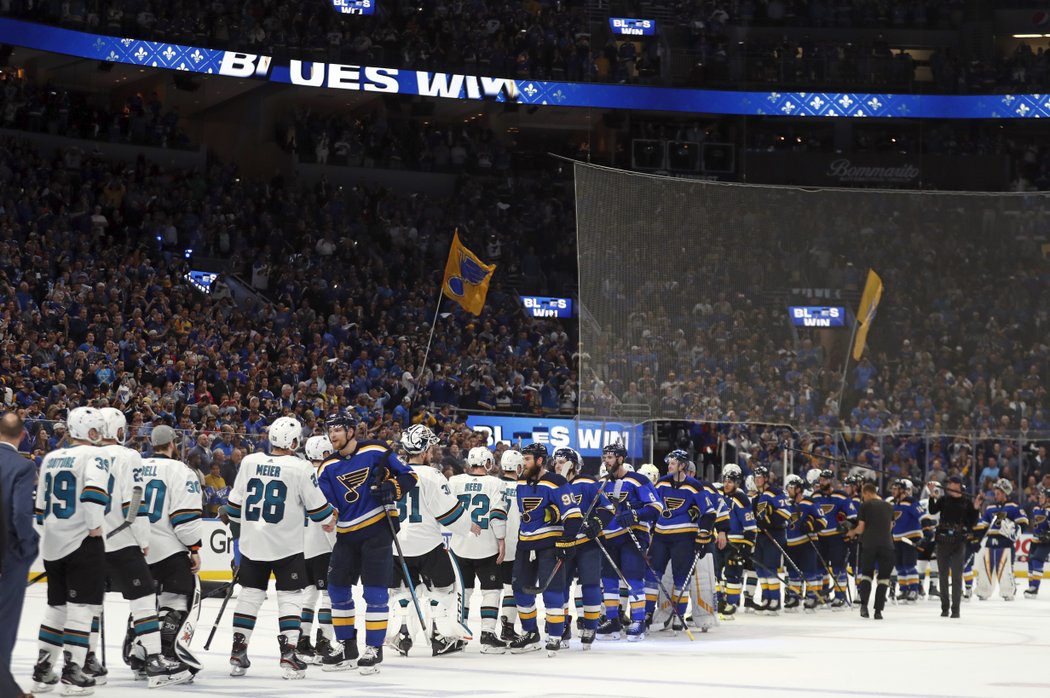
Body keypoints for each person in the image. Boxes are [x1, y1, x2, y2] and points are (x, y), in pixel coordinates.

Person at [224, 416, 336, 679]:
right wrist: (332, 519)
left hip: (253, 546)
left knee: (250, 596)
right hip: (286, 547)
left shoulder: (250, 461)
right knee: (290, 598)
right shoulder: (300, 467)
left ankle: (238, 652)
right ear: (294, 441)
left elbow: (232, 508)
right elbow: (320, 511)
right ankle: (289, 654)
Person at [316, 414, 419, 674]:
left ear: (351, 431)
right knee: (337, 590)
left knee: (374, 593)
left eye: (338, 429)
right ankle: (346, 646)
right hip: (346, 535)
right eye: (330, 430)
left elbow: (410, 476)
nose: (333, 435)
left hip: (377, 531)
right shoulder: (326, 467)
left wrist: (391, 488)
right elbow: (329, 504)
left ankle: (373, 648)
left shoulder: (376, 450)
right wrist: (328, 517)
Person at [97, 408, 192, 687]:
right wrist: (143, 540)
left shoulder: (81, 456)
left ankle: (83, 662)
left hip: (88, 543)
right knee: (143, 600)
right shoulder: (129, 456)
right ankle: (153, 661)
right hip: (123, 540)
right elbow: (134, 505)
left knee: (86, 604)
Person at [32, 407, 110, 695]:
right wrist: (94, 527)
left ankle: (42, 671)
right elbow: (93, 494)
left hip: (53, 542)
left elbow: (39, 509)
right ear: (87, 430)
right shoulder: (95, 456)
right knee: (82, 608)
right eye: (96, 429)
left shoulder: (52, 457)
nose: (99, 434)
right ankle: (71, 672)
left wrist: (53, 531)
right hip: (81, 542)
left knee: (56, 607)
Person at [387, 424, 478, 657]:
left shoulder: (391, 472)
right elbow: (448, 513)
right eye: (431, 448)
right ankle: (440, 637)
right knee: (442, 589)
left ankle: (402, 636)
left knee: (401, 593)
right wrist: (468, 526)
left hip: (396, 545)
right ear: (425, 450)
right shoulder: (432, 475)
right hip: (428, 544)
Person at [139, 425, 204, 674]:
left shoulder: (136, 467)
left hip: (137, 546)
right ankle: (166, 652)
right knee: (176, 597)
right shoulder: (181, 471)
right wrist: (194, 548)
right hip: (168, 547)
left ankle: (138, 651)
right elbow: (184, 519)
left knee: (144, 602)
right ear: (172, 444)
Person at [509, 442, 581, 655]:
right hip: (525, 544)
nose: (524, 462)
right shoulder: (521, 481)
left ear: (540, 461)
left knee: (553, 591)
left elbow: (573, 514)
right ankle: (530, 633)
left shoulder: (556, 481)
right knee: (520, 590)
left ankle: (556, 635)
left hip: (550, 545)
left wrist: (567, 541)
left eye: (528, 459)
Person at [647, 449, 721, 629]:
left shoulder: (694, 486)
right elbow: (651, 506)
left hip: (684, 538)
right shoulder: (662, 483)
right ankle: (647, 614)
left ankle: (678, 615)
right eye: (669, 463)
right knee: (651, 576)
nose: (669, 466)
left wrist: (704, 533)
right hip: (660, 537)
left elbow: (709, 513)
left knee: (681, 577)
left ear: (682, 466)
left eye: (672, 463)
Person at [596, 443, 661, 640]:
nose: (606, 461)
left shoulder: (638, 480)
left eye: (610, 457)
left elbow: (656, 506)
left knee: (633, 578)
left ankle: (638, 620)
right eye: (604, 457)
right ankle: (613, 621)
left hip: (633, 536)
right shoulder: (602, 482)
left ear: (620, 459)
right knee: (608, 580)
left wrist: (635, 514)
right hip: (609, 537)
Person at [448, 446, 509, 652]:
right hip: (487, 545)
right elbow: (497, 514)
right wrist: (501, 541)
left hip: (459, 545)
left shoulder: (454, 481)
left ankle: (459, 635)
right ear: (488, 463)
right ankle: (487, 634)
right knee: (491, 591)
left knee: (462, 592)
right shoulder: (495, 483)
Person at [550, 447, 609, 649]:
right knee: (561, 586)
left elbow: (607, 508)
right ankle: (562, 626)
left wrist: (597, 523)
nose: (557, 465)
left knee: (590, 584)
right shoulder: (550, 484)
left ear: (573, 464)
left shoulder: (588, 483)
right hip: (562, 543)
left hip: (587, 543)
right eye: (555, 462)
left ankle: (590, 625)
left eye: (562, 461)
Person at [1, 412, 39, 698]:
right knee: (4, 623)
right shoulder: (22, 467)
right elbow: (20, 513)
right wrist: (29, 548)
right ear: (23, 435)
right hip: (8, 557)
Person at [297, 435, 339, 663]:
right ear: (324, 454)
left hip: (300, 545)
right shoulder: (327, 474)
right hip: (323, 543)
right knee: (328, 595)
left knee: (308, 595)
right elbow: (332, 513)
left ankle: (302, 642)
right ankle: (324, 641)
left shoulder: (298, 472)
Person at [927, 476, 980, 617]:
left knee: (957, 577)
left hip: (958, 542)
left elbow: (972, 523)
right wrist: (932, 495)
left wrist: (976, 508)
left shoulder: (967, 503)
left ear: (958, 486)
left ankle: (955, 609)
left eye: (951, 484)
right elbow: (932, 511)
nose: (949, 486)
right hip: (942, 541)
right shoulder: (944, 500)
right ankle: (945, 608)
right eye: (949, 484)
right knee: (943, 576)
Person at [845, 482, 894, 619]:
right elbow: (890, 527)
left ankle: (864, 606)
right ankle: (878, 611)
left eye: (863, 494)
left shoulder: (865, 505)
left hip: (869, 544)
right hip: (887, 545)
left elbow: (861, 528)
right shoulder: (889, 506)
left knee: (866, 576)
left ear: (867, 492)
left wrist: (851, 532)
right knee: (883, 579)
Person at [973, 478, 1028, 601]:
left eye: (998, 492)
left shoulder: (1013, 507)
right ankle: (983, 590)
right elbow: (983, 526)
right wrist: (976, 539)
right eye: (995, 492)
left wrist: (1014, 530)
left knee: (1005, 569)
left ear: (1005, 493)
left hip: (1005, 544)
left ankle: (1007, 592)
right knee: (985, 568)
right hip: (990, 543)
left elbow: (1024, 522)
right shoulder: (990, 508)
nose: (995, 495)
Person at [751, 465, 792, 615]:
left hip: (774, 534)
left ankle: (775, 600)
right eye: (755, 477)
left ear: (766, 478)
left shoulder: (776, 492)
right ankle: (766, 599)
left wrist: (768, 521)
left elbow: (786, 512)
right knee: (760, 567)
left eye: (760, 477)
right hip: (761, 535)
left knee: (770, 566)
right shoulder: (758, 496)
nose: (757, 480)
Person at [782, 474, 827, 612]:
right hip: (791, 544)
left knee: (809, 572)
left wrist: (810, 526)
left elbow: (823, 521)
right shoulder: (787, 504)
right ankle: (794, 597)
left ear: (798, 489)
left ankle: (811, 597)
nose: (788, 490)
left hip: (807, 543)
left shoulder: (810, 502)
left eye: (790, 487)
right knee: (793, 572)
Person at [717, 464, 756, 618]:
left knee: (732, 574)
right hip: (717, 541)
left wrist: (745, 548)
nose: (727, 484)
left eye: (731, 481)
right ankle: (719, 602)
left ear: (737, 483)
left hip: (734, 543)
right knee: (715, 574)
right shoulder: (717, 494)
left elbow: (751, 527)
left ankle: (730, 605)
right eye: (725, 480)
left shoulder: (741, 499)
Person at [811, 469, 853, 609]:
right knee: (819, 569)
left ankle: (840, 596)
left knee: (837, 568)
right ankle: (821, 595)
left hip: (836, 538)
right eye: (820, 479)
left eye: (824, 480)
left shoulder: (841, 496)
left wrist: (845, 526)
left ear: (831, 481)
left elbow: (853, 516)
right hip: (819, 538)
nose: (821, 482)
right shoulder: (815, 496)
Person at [497, 449, 523, 642]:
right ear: (519, 467)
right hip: (515, 545)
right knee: (510, 589)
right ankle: (508, 627)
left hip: (494, 544)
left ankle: (485, 630)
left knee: (488, 591)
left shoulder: (493, 484)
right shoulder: (524, 487)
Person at [891, 479, 923, 603]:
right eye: (892, 489)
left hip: (910, 538)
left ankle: (914, 590)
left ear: (902, 490)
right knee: (899, 566)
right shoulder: (895, 504)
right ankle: (904, 589)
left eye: (896, 489)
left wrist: (926, 530)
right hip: (897, 538)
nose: (893, 491)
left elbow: (922, 515)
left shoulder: (911, 502)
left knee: (909, 564)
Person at [1024, 486, 1049, 598]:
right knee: (1030, 561)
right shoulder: (1036, 509)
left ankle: (1035, 588)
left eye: (1043, 496)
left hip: (1046, 542)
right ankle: (1031, 586)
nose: (1040, 498)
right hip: (1035, 540)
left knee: (1037, 559)